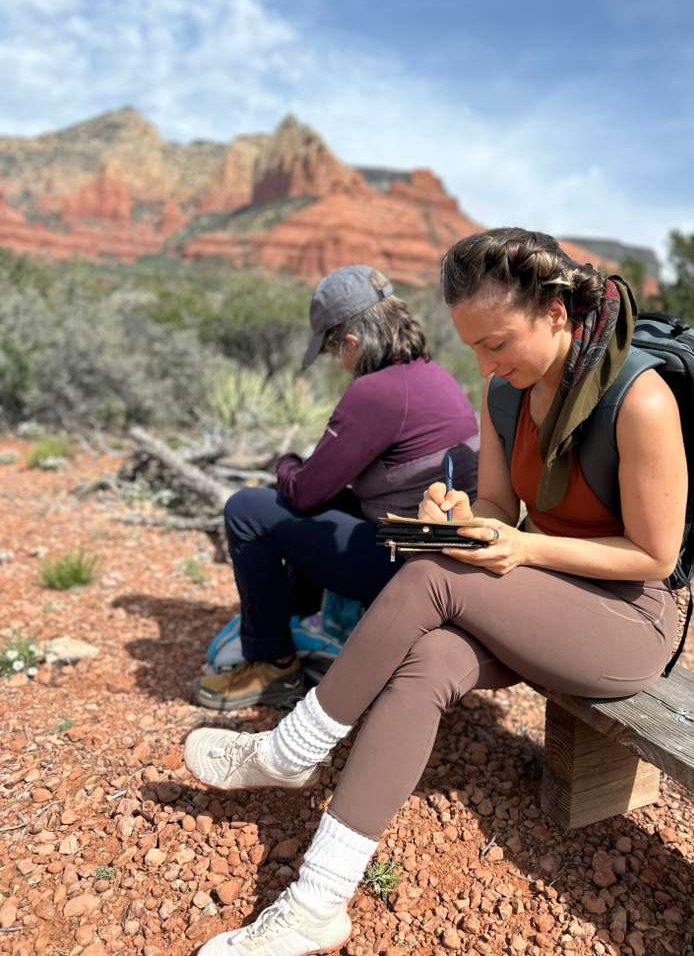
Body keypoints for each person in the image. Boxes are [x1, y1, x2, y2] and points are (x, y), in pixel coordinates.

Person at [185, 229, 688, 956]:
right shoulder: (505, 392)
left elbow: (654, 554)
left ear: (554, 311)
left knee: (431, 577)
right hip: (543, 597)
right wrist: (457, 520)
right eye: (473, 347)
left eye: (497, 342)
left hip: (627, 620)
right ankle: (318, 904)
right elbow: (493, 507)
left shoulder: (640, 401)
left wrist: (524, 546)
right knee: (428, 664)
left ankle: (291, 750)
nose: (483, 364)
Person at [193, 263, 480, 711]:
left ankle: (272, 665)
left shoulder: (378, 391)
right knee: (323, 507)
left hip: (407, 565)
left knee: (248, 509)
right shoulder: (430, 377)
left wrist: (284, 462)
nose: (338, 363)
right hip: (437, 556)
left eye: (333, 352)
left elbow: (304, 491)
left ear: (351, 343)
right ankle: (295, 620)